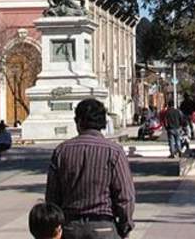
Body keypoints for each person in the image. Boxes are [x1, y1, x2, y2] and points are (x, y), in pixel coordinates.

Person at [46, 98, 135, 238]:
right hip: (103, 227)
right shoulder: (114, 151)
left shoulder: (61, 151)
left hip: (70, 227)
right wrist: (125, 226)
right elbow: (125, 196)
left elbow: (52, 195)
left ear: (79, 122)